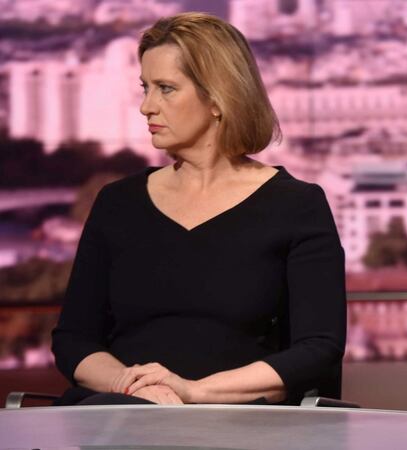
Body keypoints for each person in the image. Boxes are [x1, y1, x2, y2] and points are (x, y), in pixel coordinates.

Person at [51, 12, 346, 406]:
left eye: (166, 89)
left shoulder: (296, 205)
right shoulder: (116, 202)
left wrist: (193, 392)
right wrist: (135, 387)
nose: (146, 106)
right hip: (118, 414)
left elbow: (318, 349)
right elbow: (73, 339)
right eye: (145, 88)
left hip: (240, 423)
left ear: (218, 99)